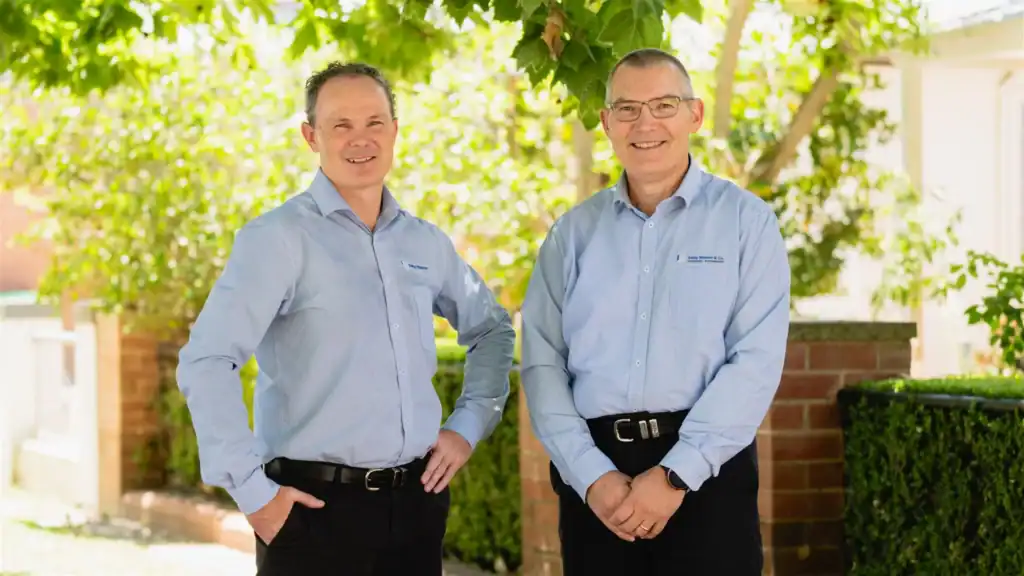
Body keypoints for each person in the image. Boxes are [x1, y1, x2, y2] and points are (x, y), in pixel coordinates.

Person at [176, 62, 516, 576]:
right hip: (313, 515)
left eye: (375, 122)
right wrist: (253, 494)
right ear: (311, 136)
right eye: (341, 125)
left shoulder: (425, 243)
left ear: (394, 131)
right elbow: (207, 361)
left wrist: (467, 426)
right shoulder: (278, 239)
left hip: (417, 510)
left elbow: (492, 329)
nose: (361, 139)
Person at [520, 48, 791, 575]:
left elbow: (755, 362)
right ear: (606, 122)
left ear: (695, 114)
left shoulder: (747, 223)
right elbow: (541, 364)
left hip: (708, 479)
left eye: (664, 105)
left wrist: (675, 476)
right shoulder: (570, 236)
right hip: (597, 488)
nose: (644, 123)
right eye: (627, 108)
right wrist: (591, 476)